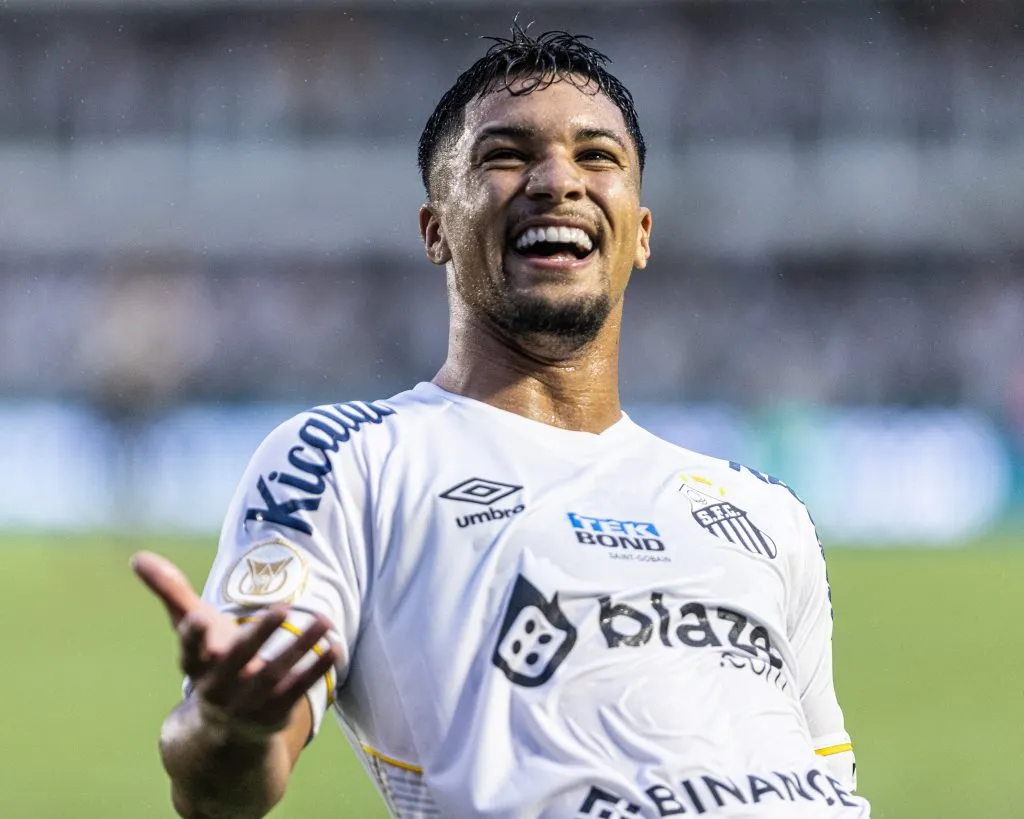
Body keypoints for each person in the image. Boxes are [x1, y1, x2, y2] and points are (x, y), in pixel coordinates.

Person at [133, 23, 871, 819]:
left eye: (597, 156)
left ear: (641, 234)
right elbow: (224, 784)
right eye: (506, 155)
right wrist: (228, 726)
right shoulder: (352, 460)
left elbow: (829, 779)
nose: (558, 180)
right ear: (436, 231)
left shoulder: (766, 513)